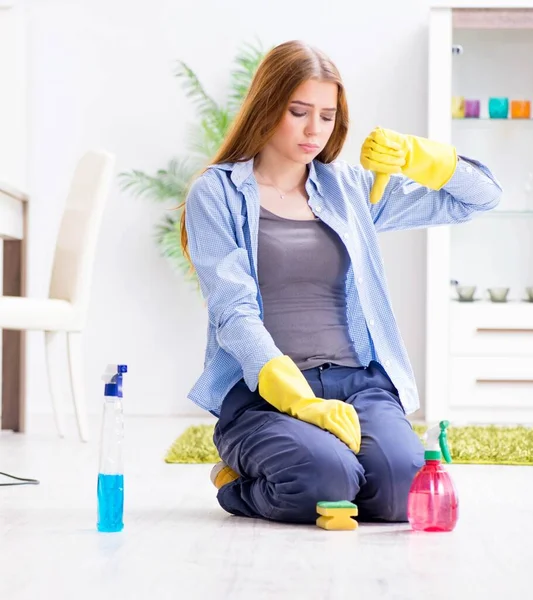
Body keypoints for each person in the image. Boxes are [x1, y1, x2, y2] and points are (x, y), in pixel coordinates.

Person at [180, 40, 501, 524]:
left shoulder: (350, 190)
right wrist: (299, 399)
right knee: (322, 482)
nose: (315, 130)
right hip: (267, 392)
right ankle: (233, 480)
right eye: (299, 111)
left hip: (359, 383)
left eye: (327, 116)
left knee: (400, 494)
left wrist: (422, 157)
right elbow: (233, 309)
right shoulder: (218, 192)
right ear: (267, 106)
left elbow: (480, 200)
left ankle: (328, 462)